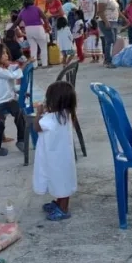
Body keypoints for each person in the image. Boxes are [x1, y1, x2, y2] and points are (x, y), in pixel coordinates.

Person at [33, 81, 78, 221]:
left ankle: (63, 209)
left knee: (60, 182)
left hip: (55, 157)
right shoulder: (65, 114)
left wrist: (38, 113)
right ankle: (59, 204)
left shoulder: (52, 118)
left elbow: (37, 127)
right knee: (60, 181)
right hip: (60, 156)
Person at [0, 44, 28, 156]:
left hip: (9, 100)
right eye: (3, 54)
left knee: (20, 114)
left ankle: (21, 140)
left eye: (6, 53)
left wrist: (20, 91)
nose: (6, 55)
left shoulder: (5, 69)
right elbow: (13, 76)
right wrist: (22, 67)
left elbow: (11, 81)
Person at [97, 0, 128, 69]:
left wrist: (125, 18)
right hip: (107, 21)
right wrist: (106, 21)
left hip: (114, 21)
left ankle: (112, 59)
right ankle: (107, 61)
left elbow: (117, 10)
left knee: (113, 41)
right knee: (109, 41)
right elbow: (100, 11)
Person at [16, 0, 50, 67]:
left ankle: (34, 66)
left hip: (28, 30)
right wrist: (47, 26)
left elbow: (17, 22)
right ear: (32, 3)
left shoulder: (22, 11)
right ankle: (44, 64)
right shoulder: (36, 8)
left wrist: (10, 29)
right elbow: (44, 17)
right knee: (43, 47)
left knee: (33, 48)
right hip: (38, 28)